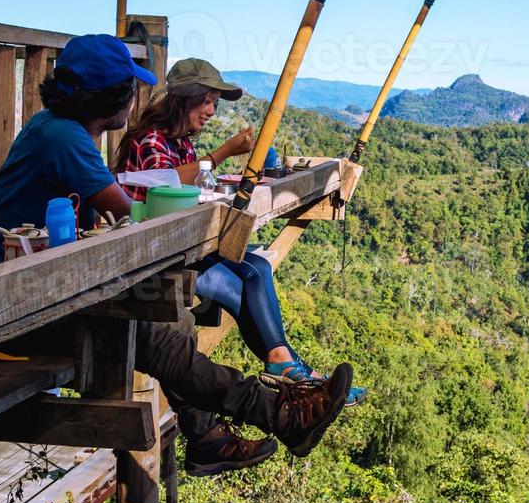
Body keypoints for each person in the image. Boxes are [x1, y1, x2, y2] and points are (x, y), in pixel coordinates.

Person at [0, 35, 350, 474]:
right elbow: (129, 211)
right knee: (154, 332)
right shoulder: (65, 139)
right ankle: (280, 414)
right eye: (130, 87)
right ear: (112, 95)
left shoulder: (57, 130)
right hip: (19, 305)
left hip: (37, 284)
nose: (135, 97)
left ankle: (212, 436)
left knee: (173, 319)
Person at [112, 58, 366, 405]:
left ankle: (290, 368)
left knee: (258, 267)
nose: (212, 111)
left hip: (184, 247)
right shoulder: (149, 140)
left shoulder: (180, 142)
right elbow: (166, 184)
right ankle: (293, 372)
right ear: (186, 97)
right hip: (153, 257)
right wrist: (224, 152)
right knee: (238, 280)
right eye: (208, 101)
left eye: (215, 103)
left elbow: (190, 187)